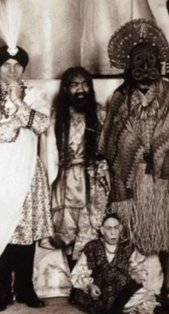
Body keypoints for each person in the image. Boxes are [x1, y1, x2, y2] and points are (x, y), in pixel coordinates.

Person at [99, 19, 169, 303]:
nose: (145, 65)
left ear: (159, 61)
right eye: (139, 60)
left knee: (165, 227)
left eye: (151, 59)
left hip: (162, 173)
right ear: (129, 63)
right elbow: (112, 134)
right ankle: (126, 281)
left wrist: (158, 148)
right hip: (130, 173)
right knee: (126, 228)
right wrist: (135, 147)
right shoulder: (120, 96)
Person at [0, 43, 53, 312]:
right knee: (1, 230)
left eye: (17, 65)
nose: (12, 70)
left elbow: (42, 125)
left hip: (27, 170)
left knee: (26, 233)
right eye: (6, 65)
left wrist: (18, 102)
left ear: (23, 67)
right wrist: (16, 125)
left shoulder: (36, 95)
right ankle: (3, 293)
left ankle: (26, 289)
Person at [49, 67, 109, 270]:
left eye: (85, 84)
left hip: (93, 176)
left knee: (93, 228)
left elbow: (108, 145)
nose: (80, 89)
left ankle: (93, 281)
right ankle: (77, 281)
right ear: (66, 88)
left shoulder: (99, 111)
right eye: (75, 85)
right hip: (65, 178)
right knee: (68, 230)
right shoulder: (56, 114)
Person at [69, 214, 169, 314]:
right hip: (100, 292)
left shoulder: (127, 247)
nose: (113, 233)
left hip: (123, 290)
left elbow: (139, 266)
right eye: (109, 229)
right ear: (102, 230)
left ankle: (143, 307)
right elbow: (77, 273)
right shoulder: (92, 247)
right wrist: (90, 285)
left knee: (143, 295)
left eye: (116, 228)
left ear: (120, 229)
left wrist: (136, 276)